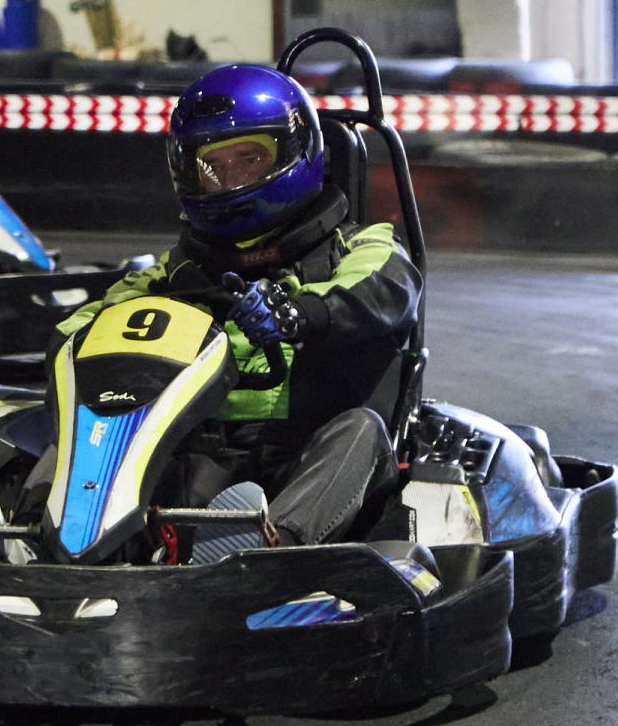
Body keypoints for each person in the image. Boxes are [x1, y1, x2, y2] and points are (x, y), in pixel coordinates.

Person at [55, 62, 421, 549]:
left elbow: (382, 288)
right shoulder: (177, 272)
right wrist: (75, 349)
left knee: (360, 431)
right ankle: (45, 533)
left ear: (295, 154)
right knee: (81, 435)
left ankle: (270, 550)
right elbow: (86, 325)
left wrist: (297, 314)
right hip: (202, 457)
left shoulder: (359, 247)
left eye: (249, 159)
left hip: (307, 458)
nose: (229, 179)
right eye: (213, 166)